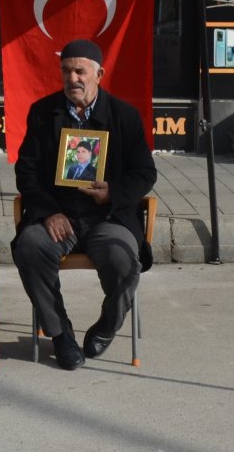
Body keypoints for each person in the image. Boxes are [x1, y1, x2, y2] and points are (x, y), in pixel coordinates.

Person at [12, 39, 156, 370]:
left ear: (99, 74)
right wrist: (48, 212)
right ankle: (61, 334)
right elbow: (27, 173)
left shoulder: (123, 115)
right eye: (66, 71)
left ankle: (108, 325)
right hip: (58, 215)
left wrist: (113, 193)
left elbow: (145, 173)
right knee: (31, 248)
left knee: (123, 259)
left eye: (80, 71)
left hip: (107, 217)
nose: (72, 78)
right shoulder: (43, 112)